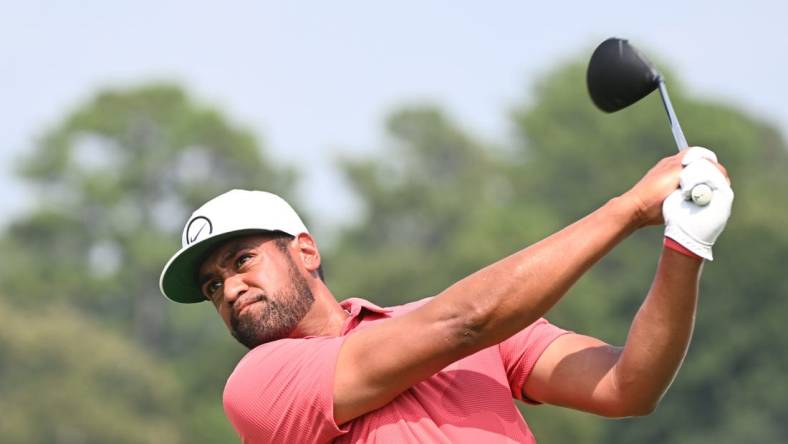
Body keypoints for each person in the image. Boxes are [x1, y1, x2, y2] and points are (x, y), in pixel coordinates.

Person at [159, 146, 733, 443]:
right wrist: (630, 209)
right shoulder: (260, 385)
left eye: (242, 261)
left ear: (305, 251)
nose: (230, 288)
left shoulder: (446, 330)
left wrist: (684, 246)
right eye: (213, 286)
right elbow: (462, 323)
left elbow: (627, 386)